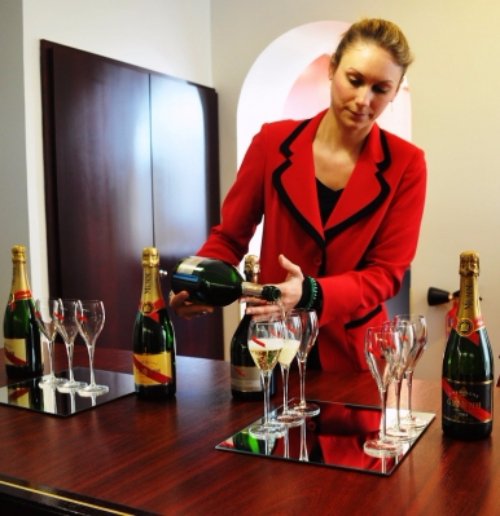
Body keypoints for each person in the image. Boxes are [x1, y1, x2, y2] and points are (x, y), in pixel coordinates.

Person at [170, 18, 427, 372]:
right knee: (270, 427)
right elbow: (230, 238)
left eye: (381, 89)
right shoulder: (272, 143)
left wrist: (312, 293)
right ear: (333, 68)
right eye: (354, 80)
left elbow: (386, 274)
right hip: (273, 347)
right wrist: (196, 283)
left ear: (395, 92)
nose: (363, 99)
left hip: (354, 358)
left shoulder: (407, 164)